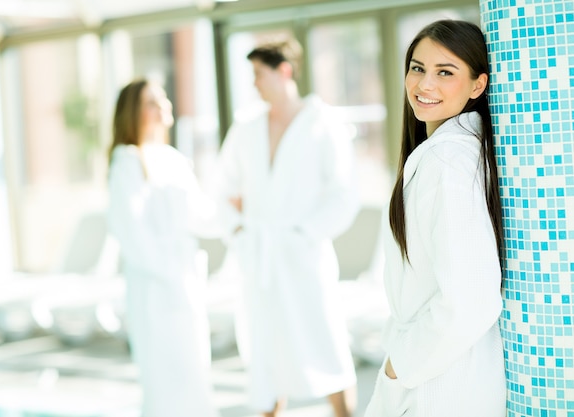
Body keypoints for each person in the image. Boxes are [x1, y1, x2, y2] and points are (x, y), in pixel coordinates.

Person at [363, 20, 505, 417]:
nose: (424, 85)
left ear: (478, 85)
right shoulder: (451, 152)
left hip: (439, 384)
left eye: (445, 72)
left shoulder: (447, 160)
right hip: (444, 375)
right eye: (417, 68)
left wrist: (399, 366)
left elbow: (469, 298)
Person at [214, 38, 360, 417]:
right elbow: (223, 188)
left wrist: (305, 234)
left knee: (325, 343)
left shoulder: (322, 123)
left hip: (303, 255)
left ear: (284, 71)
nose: (254, 84)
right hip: (258, 255)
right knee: (265, 350)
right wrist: (238, 232)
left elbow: (344, 193)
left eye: (259, 74)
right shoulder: (246, 127)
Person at [107, 79, 220, 417]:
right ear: (134, 113)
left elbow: (200, 215)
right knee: (165, 379)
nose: (163, 104)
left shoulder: (172, 158)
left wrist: (237, 211)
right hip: (155, 289)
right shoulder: (127, 161)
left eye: (162, 98)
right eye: (151, 101)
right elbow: (131, 233)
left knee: (194, 373)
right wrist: (171, 274)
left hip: (185, 282)